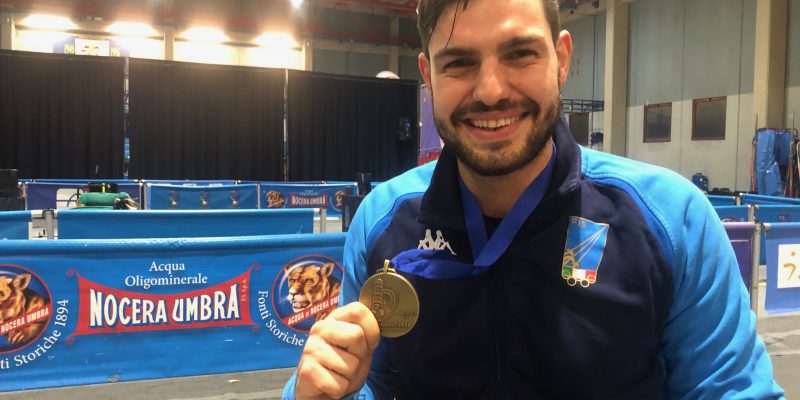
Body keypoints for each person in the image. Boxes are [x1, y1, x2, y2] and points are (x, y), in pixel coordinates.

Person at [283, 0, 785, 398]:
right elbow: (369, 385)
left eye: (519, 53)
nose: (491, 91)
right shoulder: (382, 223)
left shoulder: (672, 220)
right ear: (428, 76)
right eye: (459, 63)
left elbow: (732, 389)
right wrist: (315, 392)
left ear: (561, 59)